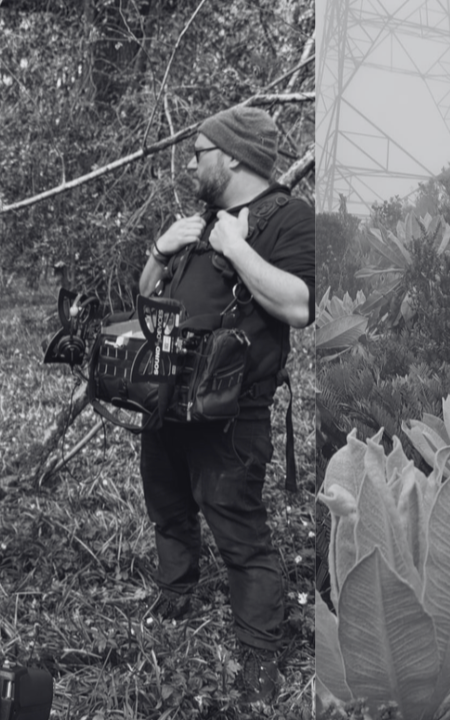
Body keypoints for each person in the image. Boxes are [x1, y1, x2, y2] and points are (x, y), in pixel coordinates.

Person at [133, 106, 313, 703]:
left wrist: (236, 248)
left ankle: (259, 654)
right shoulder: (201, 222)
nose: (191, 164)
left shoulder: (286, 217)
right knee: (167, 505)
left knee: (239, 532)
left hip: (232, 413)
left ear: (232, 157)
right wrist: (160, 250)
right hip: (168, 399)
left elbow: (298, 305)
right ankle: (175, 593)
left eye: (199, 153)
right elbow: (144, 296)